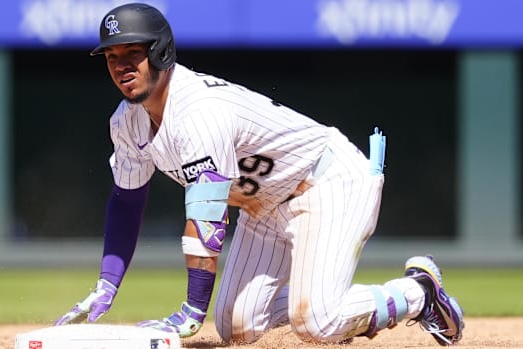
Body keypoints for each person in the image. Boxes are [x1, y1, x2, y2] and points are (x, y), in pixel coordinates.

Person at [54, 2, 464, 345]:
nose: (121, 66)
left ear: (160, 52)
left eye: (132, 54)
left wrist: (192, 311)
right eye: (112, 57)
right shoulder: (126, 122)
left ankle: (419, 292)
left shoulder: (196, 111)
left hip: (327, 180)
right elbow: (127, 202)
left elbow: (207, 219)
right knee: (237, 327)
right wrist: (107, 282)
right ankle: (321, 297)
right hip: (262, 206)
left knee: (316, 322)